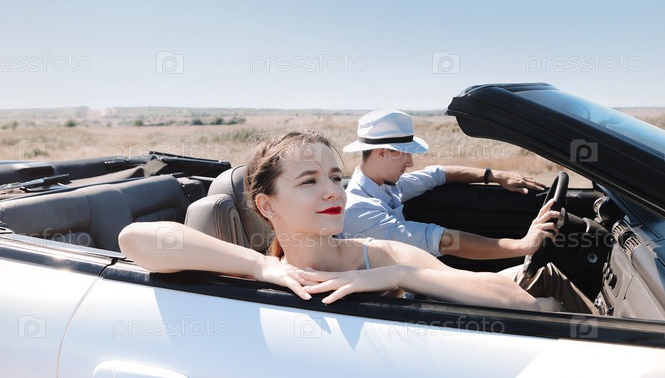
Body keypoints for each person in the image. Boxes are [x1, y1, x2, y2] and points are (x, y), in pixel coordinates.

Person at [119, 131, 585, 312]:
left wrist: (398, 274)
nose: (333, 192)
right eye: (309, 181)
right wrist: (262, 267)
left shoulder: (380, 255)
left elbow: (516, 302)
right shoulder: (254, 271)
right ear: (267, 205)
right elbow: (134, 239)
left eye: (336, 178)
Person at [340, 109, 549, 259]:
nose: (410, 163)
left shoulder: (386, 185)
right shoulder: (358, 210)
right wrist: (521, 246)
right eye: (405, 155)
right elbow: (441, 240)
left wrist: (493, 175)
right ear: (381, 153)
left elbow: (437, 174)